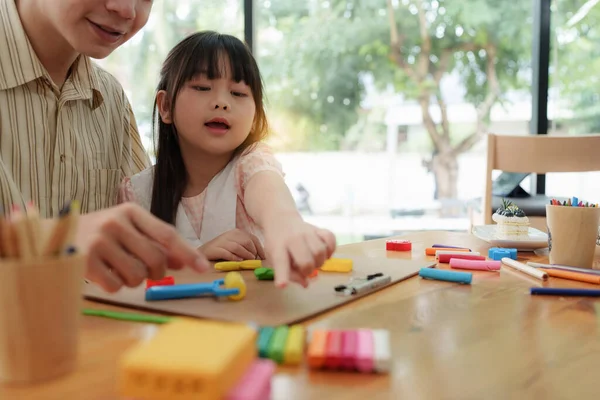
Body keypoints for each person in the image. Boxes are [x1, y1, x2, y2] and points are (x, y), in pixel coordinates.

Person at [0, 0, 209, 293]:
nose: (126, 10)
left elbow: (139, 232)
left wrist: (197, 251)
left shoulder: (110, 99)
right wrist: (52, 237)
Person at [118, 31, 337, 288]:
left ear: (255, 116)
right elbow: (130, 278)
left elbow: (271, 196)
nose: (222, 102)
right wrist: (198, 257)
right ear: (165, 106)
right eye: (202, 87)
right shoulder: (138, 192)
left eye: (238, 93)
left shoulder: (252, 164)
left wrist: (286, 223)